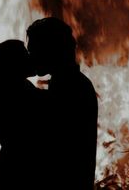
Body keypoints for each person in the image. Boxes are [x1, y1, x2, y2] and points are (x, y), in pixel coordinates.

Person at [27, 17, 98, 190]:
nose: (31, 54)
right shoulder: (71, 84)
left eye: (34, 49)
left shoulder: (71, 88)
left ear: (50, 49)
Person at [0, 39, 43, 189]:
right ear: (13, 63)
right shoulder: (19, 92)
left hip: (9, 171)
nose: (31, 56)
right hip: (19, 176)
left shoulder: (8, 89)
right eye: (25, 53)